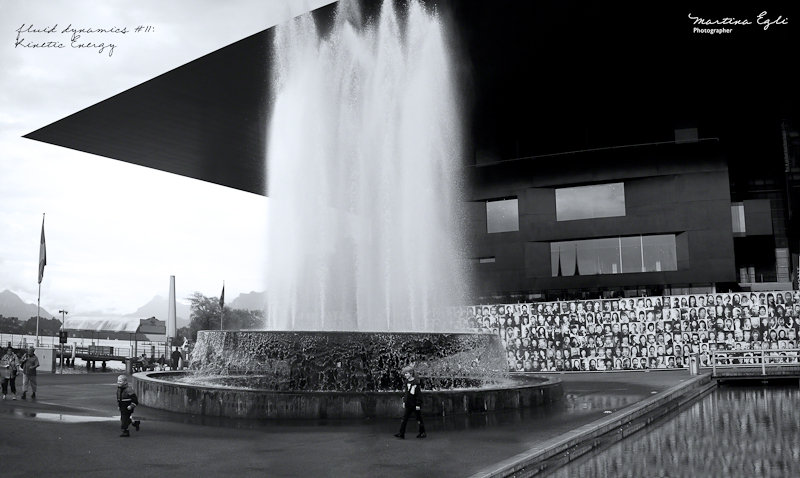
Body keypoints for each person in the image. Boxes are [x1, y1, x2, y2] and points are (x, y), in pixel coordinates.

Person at [394, 366, 426, 439]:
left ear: (411, 373)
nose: (405, 375)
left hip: (415, 404)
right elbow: (406, 393)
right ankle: (401, 433)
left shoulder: (415, 383)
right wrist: (404, 401)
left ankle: (422, 432)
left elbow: (418, 394)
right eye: (404, 374)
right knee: (404, 419)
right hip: (408, 403)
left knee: (418, 418)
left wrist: (418, 404)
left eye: (406, 373)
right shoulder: (406, 382)